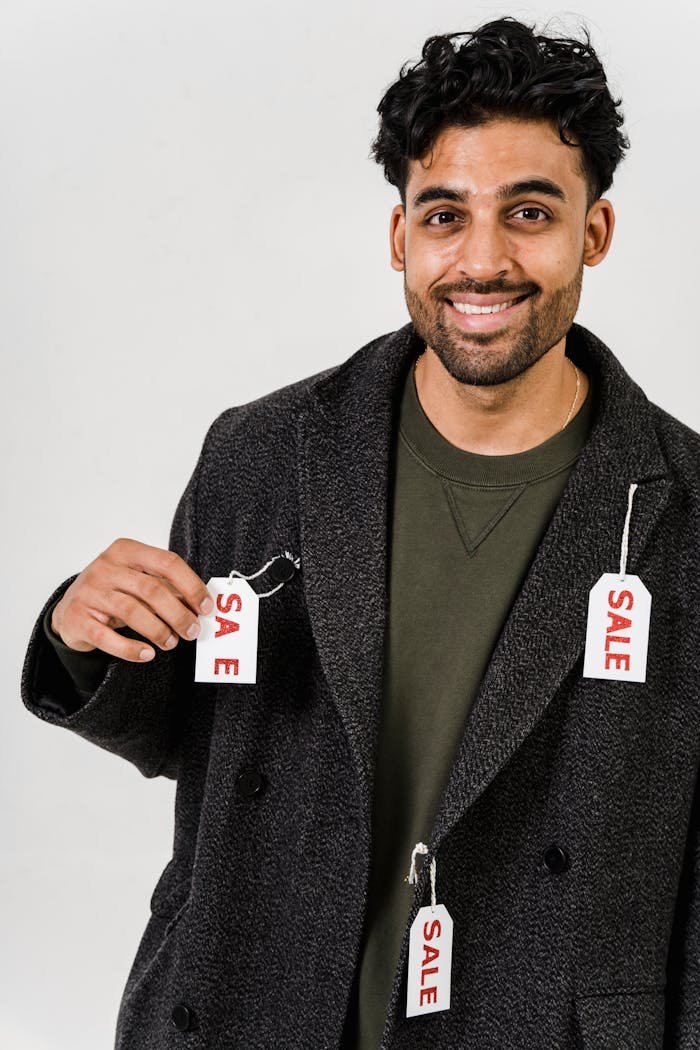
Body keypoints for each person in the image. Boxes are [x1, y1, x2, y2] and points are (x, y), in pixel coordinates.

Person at [21, 15, 700, 1050]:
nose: (482, 261)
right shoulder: (260, 452)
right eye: (443, 215)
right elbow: (180, 737)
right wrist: (87, 635)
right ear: (399, 237)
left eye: (528, 212)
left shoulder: (683, 507)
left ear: (592, 233)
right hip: (252, 1006)